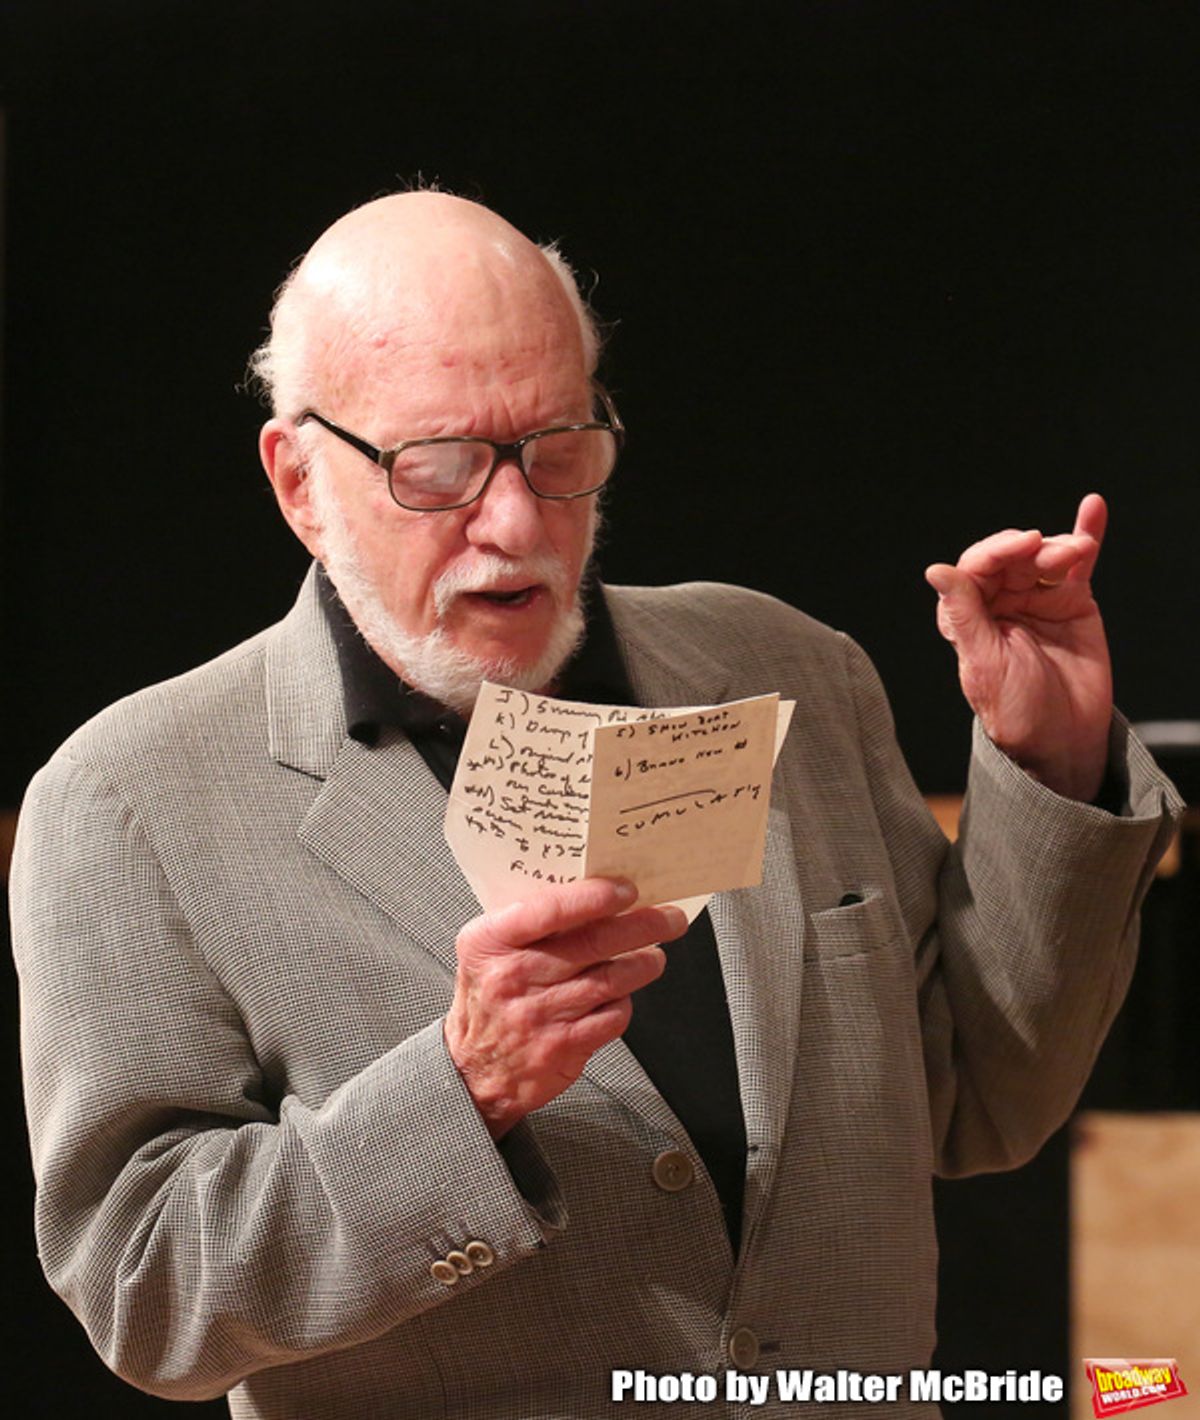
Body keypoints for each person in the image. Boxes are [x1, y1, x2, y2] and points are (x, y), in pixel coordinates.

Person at [10, 191, 1180, 1419]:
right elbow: (148, 1296)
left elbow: (975, 1098)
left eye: (556, 450)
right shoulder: (130, 798)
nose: (515, 523)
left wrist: (1050, 759)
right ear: (300, 478)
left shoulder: (789, 668)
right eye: (440, 468)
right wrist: (461, 1090)